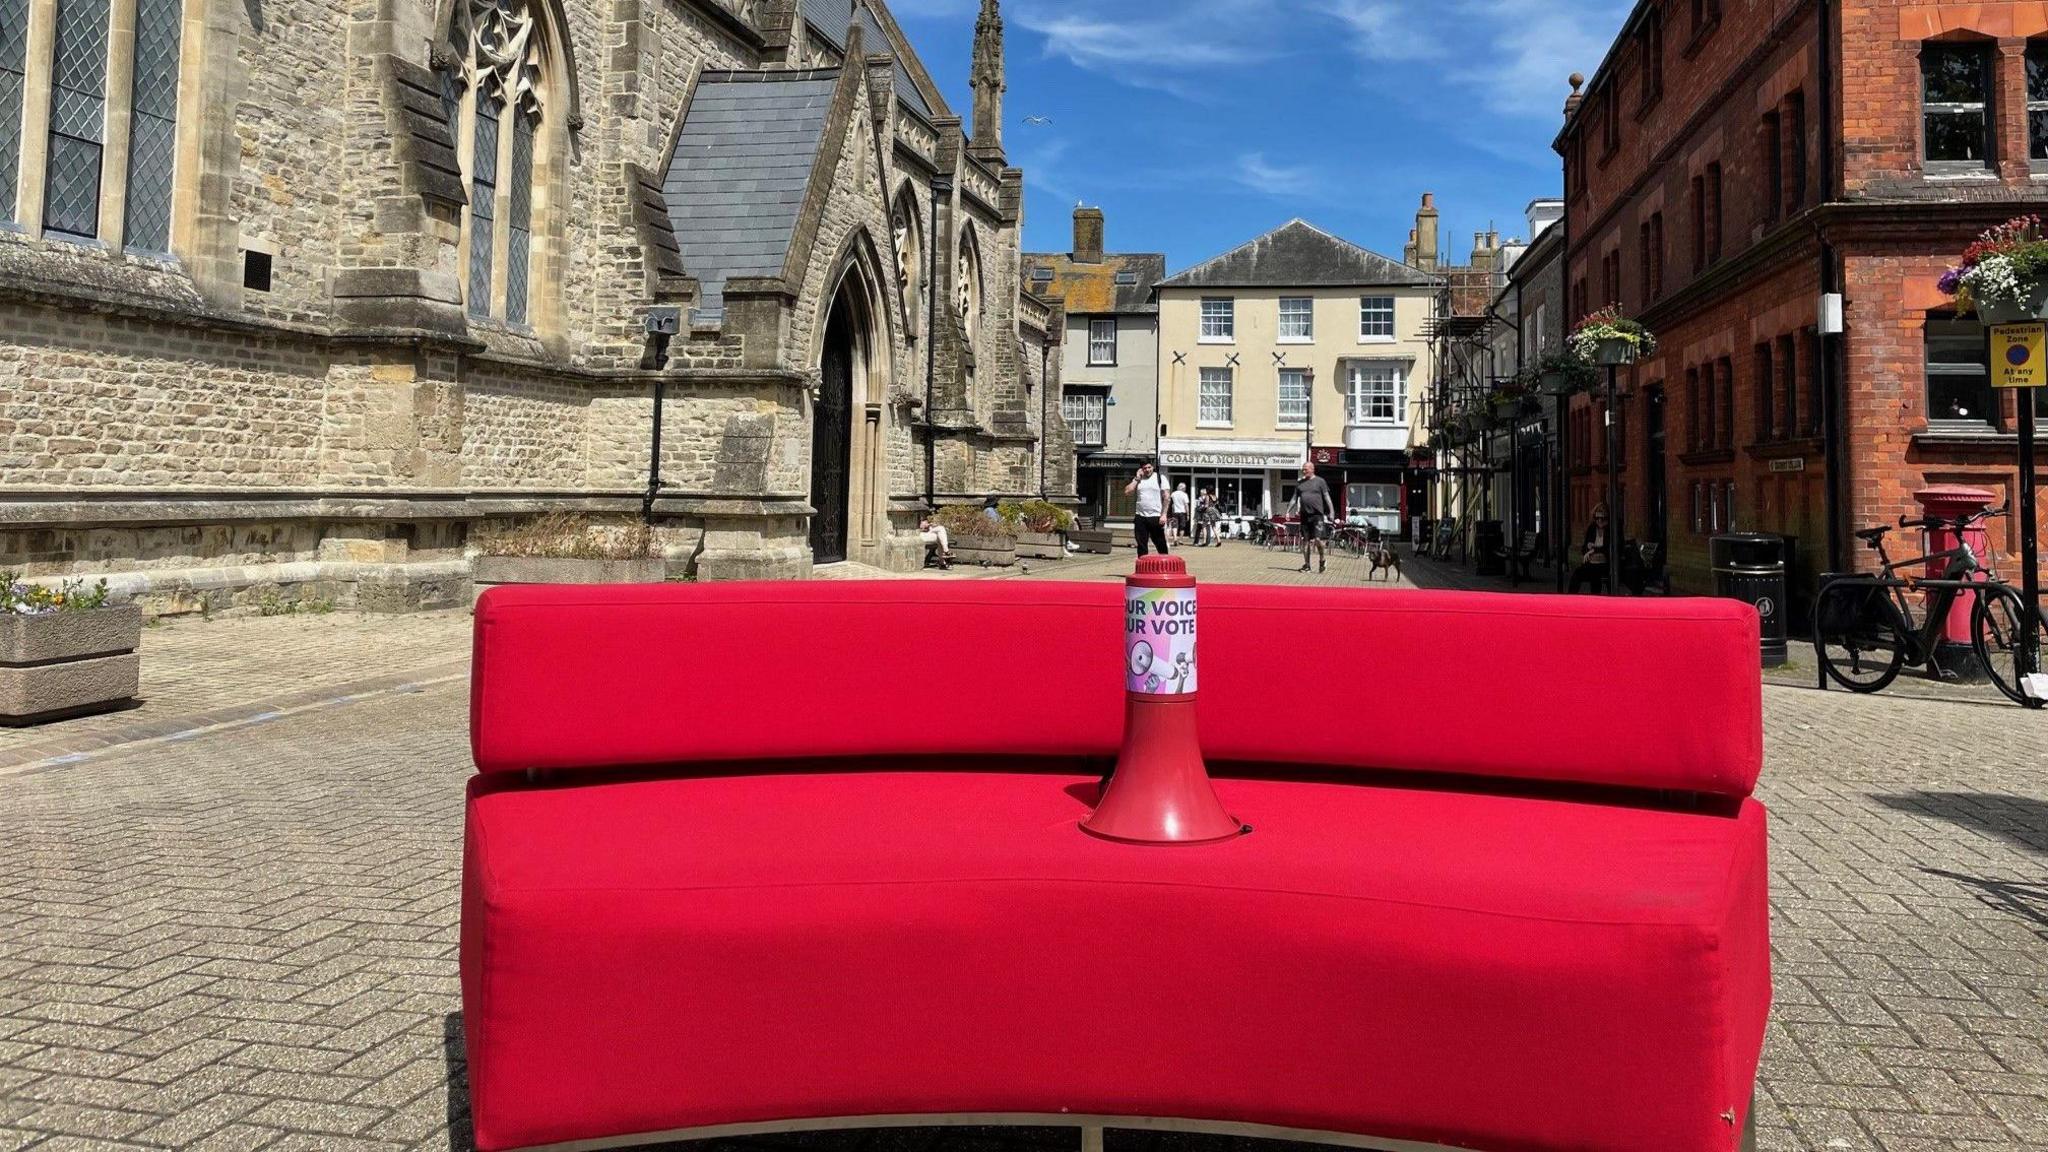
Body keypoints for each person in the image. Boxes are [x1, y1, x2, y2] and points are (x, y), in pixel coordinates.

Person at [1294, 462, 1336, 573]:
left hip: (1317, 515)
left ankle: (1322, 559)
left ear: (1312, 469)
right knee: (1305, 541)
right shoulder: (1300, 484)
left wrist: (1331, 512)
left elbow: (1327, 497)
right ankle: (1307, 565)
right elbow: (1294, 498)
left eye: (1305, 469)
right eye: (1303, 469)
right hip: (1304, 515)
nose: (1304, 471)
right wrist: (1289, 511)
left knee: (1318, 540)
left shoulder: (1320, 481)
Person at [1124, 462, 1171, 557]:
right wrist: (1137, 478)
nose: (1147, 470)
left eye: (1149, 467)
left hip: (1155, 516)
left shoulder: (1160, 478)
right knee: (1141, 544)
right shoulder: (1138, 479)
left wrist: (1164, 514)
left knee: (1160, 543)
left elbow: (1166, 497)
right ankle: (1142, 567)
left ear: (1152, 467)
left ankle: (1165, 564)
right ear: (1141, 469)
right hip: (1140, 516)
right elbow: (1127, 492)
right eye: (1144, 468)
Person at [1569, 504, 1611, 594]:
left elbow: (1609, 547)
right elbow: (1584, 548)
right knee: (1577, 573)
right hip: (1591, 562)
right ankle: (1570, 597)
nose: (1599, 521)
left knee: (1596, 575)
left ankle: (1596, 597)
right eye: (1597, 518)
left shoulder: (1610, 530)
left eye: (1602, 518)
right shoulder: (1592, 528)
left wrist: (1594, 550)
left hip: (1605, 564)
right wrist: (1587, 548)